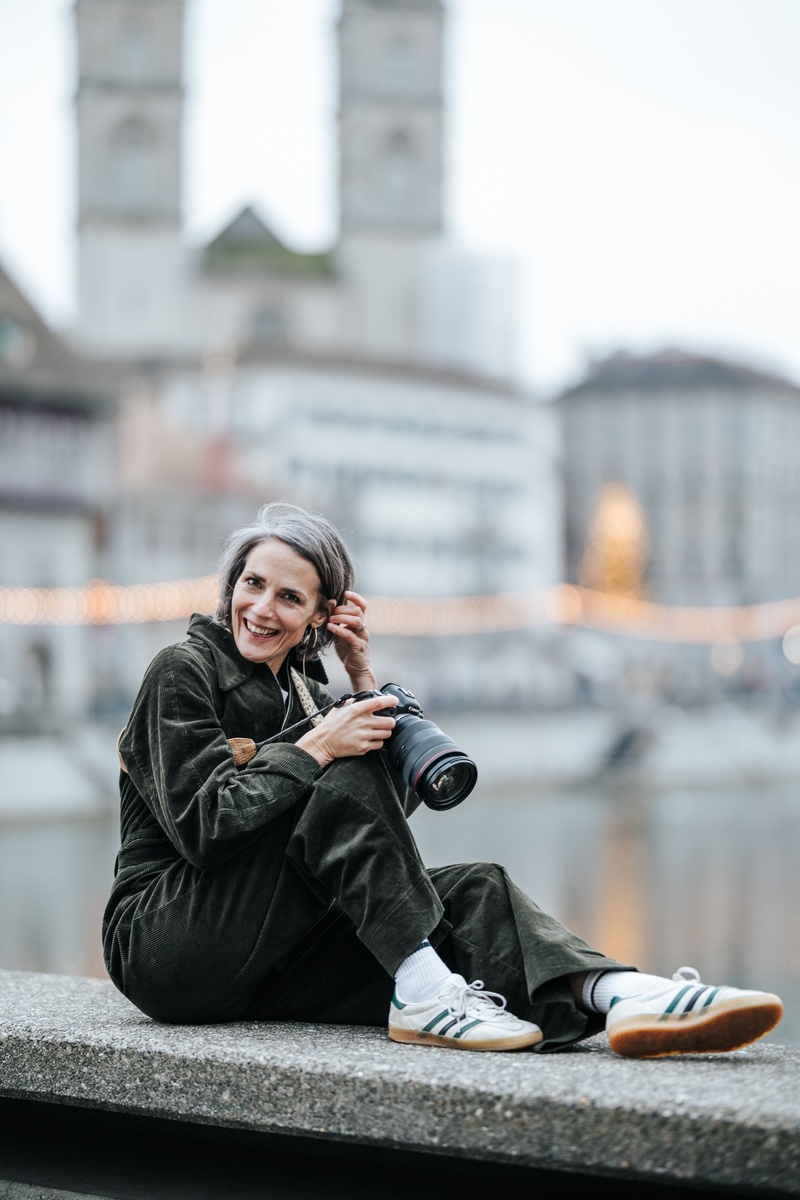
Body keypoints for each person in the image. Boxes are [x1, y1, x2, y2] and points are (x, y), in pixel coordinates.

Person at [104, 503, 783, 1057]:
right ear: (230, 586)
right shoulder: (182, 669)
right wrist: (318, 748)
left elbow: (373, 824)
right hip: (167, 943)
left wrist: (362, 682)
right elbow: (204, 828)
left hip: (264, 960)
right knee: (346, 773)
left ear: (320, 615)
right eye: (252, 584)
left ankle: (620, 994)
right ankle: (426, 994)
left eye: (289, 597)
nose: (261, 608)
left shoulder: (310, 695)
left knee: (473, 890)